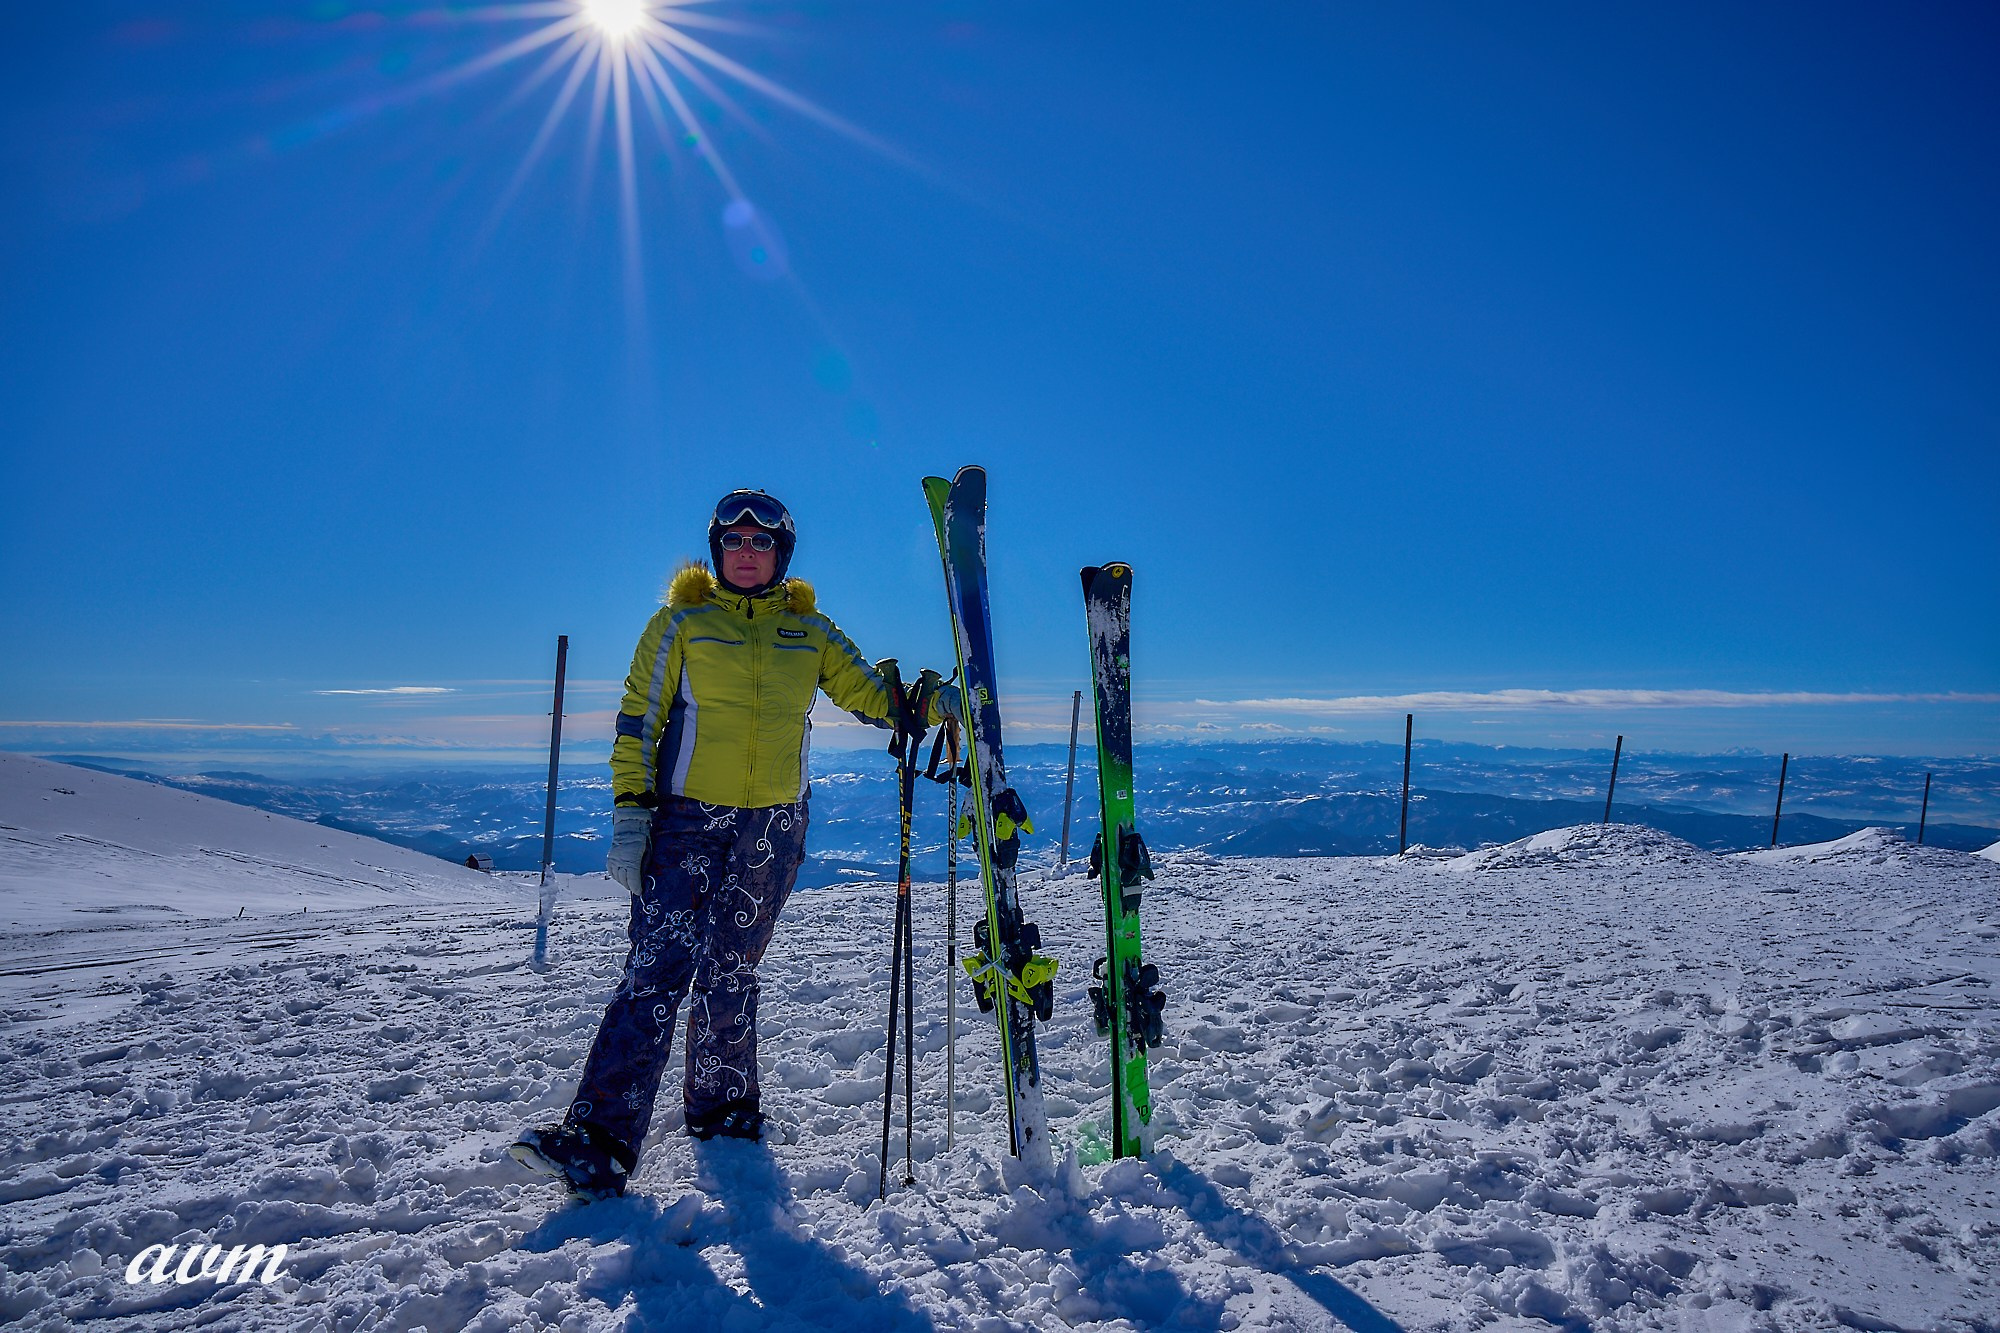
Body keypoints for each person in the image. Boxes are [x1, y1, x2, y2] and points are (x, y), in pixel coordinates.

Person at [512, 489, 947, 1200]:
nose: (748, 552)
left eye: (762, 542)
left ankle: (722, 1107)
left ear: (782, 553)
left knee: (732, 970)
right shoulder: (680, 623)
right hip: (686, 820)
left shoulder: (810, 631)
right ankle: (600, 1139)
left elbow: (871, 694)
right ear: (717, 550)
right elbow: (638, 719)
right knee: (656, 969)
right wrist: (632, 812)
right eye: (735, 541)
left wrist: (932, 704)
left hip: (772, 825)